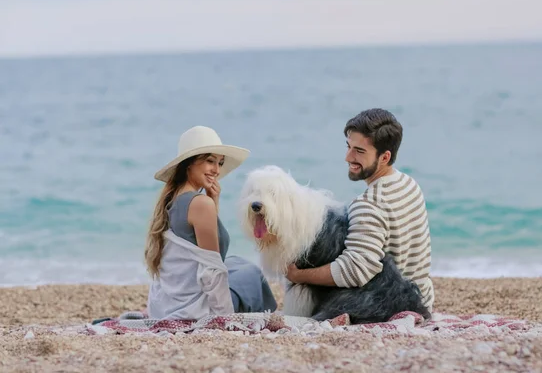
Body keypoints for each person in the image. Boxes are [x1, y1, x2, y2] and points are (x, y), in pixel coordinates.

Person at [285, 108, 435, 313]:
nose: (348, 157)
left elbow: (355, 271)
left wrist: (298, 275)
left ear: (384, 157)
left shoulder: (369, 204)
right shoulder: (408, 183)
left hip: (390, 307)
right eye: (349, 147)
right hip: (422, 300)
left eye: (359, 151)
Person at [145, 125, 277, 320]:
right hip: (192, 309)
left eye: (220, 163)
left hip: (168, 302)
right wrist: (225, 318)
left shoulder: (172, 199)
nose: (216, 170)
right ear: (189, 163)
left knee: (236, 263)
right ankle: (266, 317)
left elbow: (196, 253)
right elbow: (211, 272)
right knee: (251, 273)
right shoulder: (200, 203)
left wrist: (213, 201)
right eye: (209, 161)